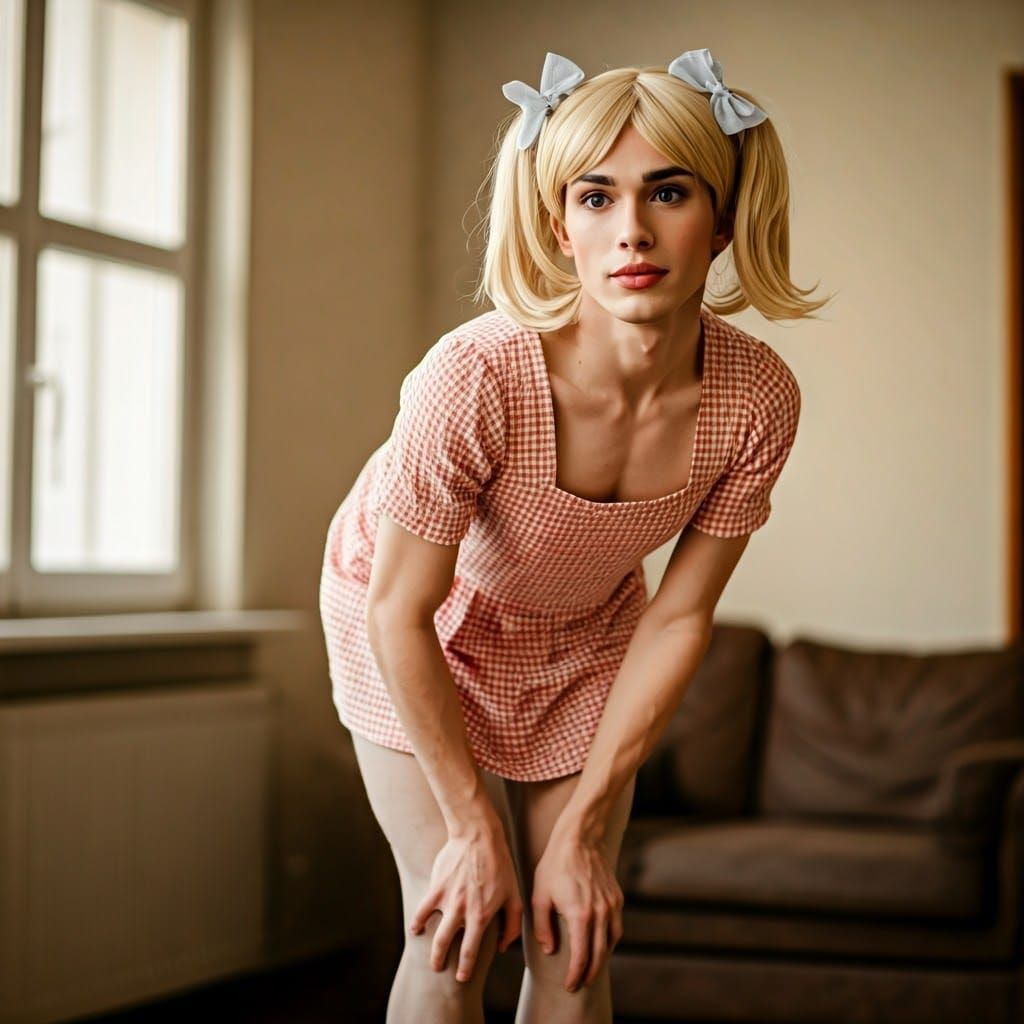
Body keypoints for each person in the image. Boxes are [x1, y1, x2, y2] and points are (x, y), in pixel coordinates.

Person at [319, 47, 830, 1024]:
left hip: (585, 629)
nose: (630, 230)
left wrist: (584, 827)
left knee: (573, 932)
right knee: (454, 929)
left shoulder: (756, 397)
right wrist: (475, 827)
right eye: (595, 197)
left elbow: (678, 618)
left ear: (720, 218)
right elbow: (399, 606)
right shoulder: (472, 377)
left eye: (667, 192)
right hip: (411, 617)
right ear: (559, 222)